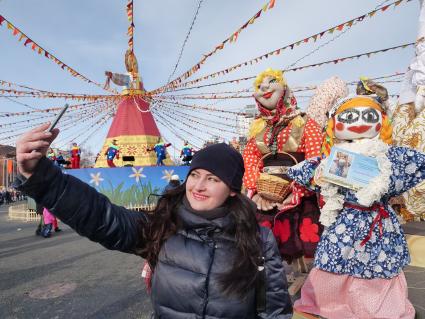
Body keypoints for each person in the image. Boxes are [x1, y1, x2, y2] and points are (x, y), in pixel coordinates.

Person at [14, 125, 293, 318]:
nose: (199, 186)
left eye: (213, 179)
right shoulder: (163, 227)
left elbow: (274, 310)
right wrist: (41, 177)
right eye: (195, 175)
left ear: (232, 189)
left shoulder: (257, 240)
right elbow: (101, 216)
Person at [288, 91, 424, 319]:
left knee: (378, 263)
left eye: (369, 116)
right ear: (335, 125)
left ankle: (377, 308)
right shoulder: (332, 158)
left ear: (381, 120)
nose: (359, 123)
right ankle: (328, 302)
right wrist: (321, 174)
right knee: (334, 259)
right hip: (345, 219)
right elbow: (303, 171)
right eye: (349, 117)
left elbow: (413, 166)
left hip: (377, 221)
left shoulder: (388, 156)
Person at [242, 69, 346, 273]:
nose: (264, 88)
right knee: (260, 251)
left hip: (299, 194)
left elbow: (315, 159)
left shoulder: (305, 122)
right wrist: (255, 192)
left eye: (271, 82)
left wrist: (297, 191)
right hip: (265, 195)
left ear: (284, 89)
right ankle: (268, 289)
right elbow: (250, 158)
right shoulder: (257, 128)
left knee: (311, 249)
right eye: (259, 86)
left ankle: (317, 290)